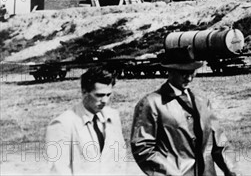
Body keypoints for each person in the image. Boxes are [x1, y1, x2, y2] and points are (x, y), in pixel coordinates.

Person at [130, 46, 238, 176]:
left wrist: (232, 171)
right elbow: (143, 149)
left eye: (192, 72)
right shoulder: (151, 103)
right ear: (170, 71)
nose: (189, 78)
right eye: (183, 73)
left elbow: (219, 143)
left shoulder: (202, 101)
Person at [45, 67, 126, 175]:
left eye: (108, 95)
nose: (105, 101)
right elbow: (58, 170)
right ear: (84, 92)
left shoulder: (113, 116)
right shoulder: (63, 124)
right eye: (99, 95)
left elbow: (120, 158)